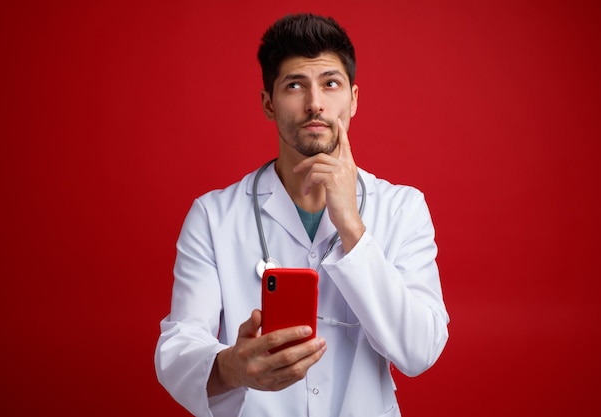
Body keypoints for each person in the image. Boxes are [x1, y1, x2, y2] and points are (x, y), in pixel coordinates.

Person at [155, 13, 449, 417]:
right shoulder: (213, 215)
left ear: (354, 99)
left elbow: (420, 350)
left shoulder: (403, 207)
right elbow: (178, 348)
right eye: (295, 85)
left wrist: (352, 227)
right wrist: (231, 367)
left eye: (331, 83)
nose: (315, 103)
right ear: (268, 104)